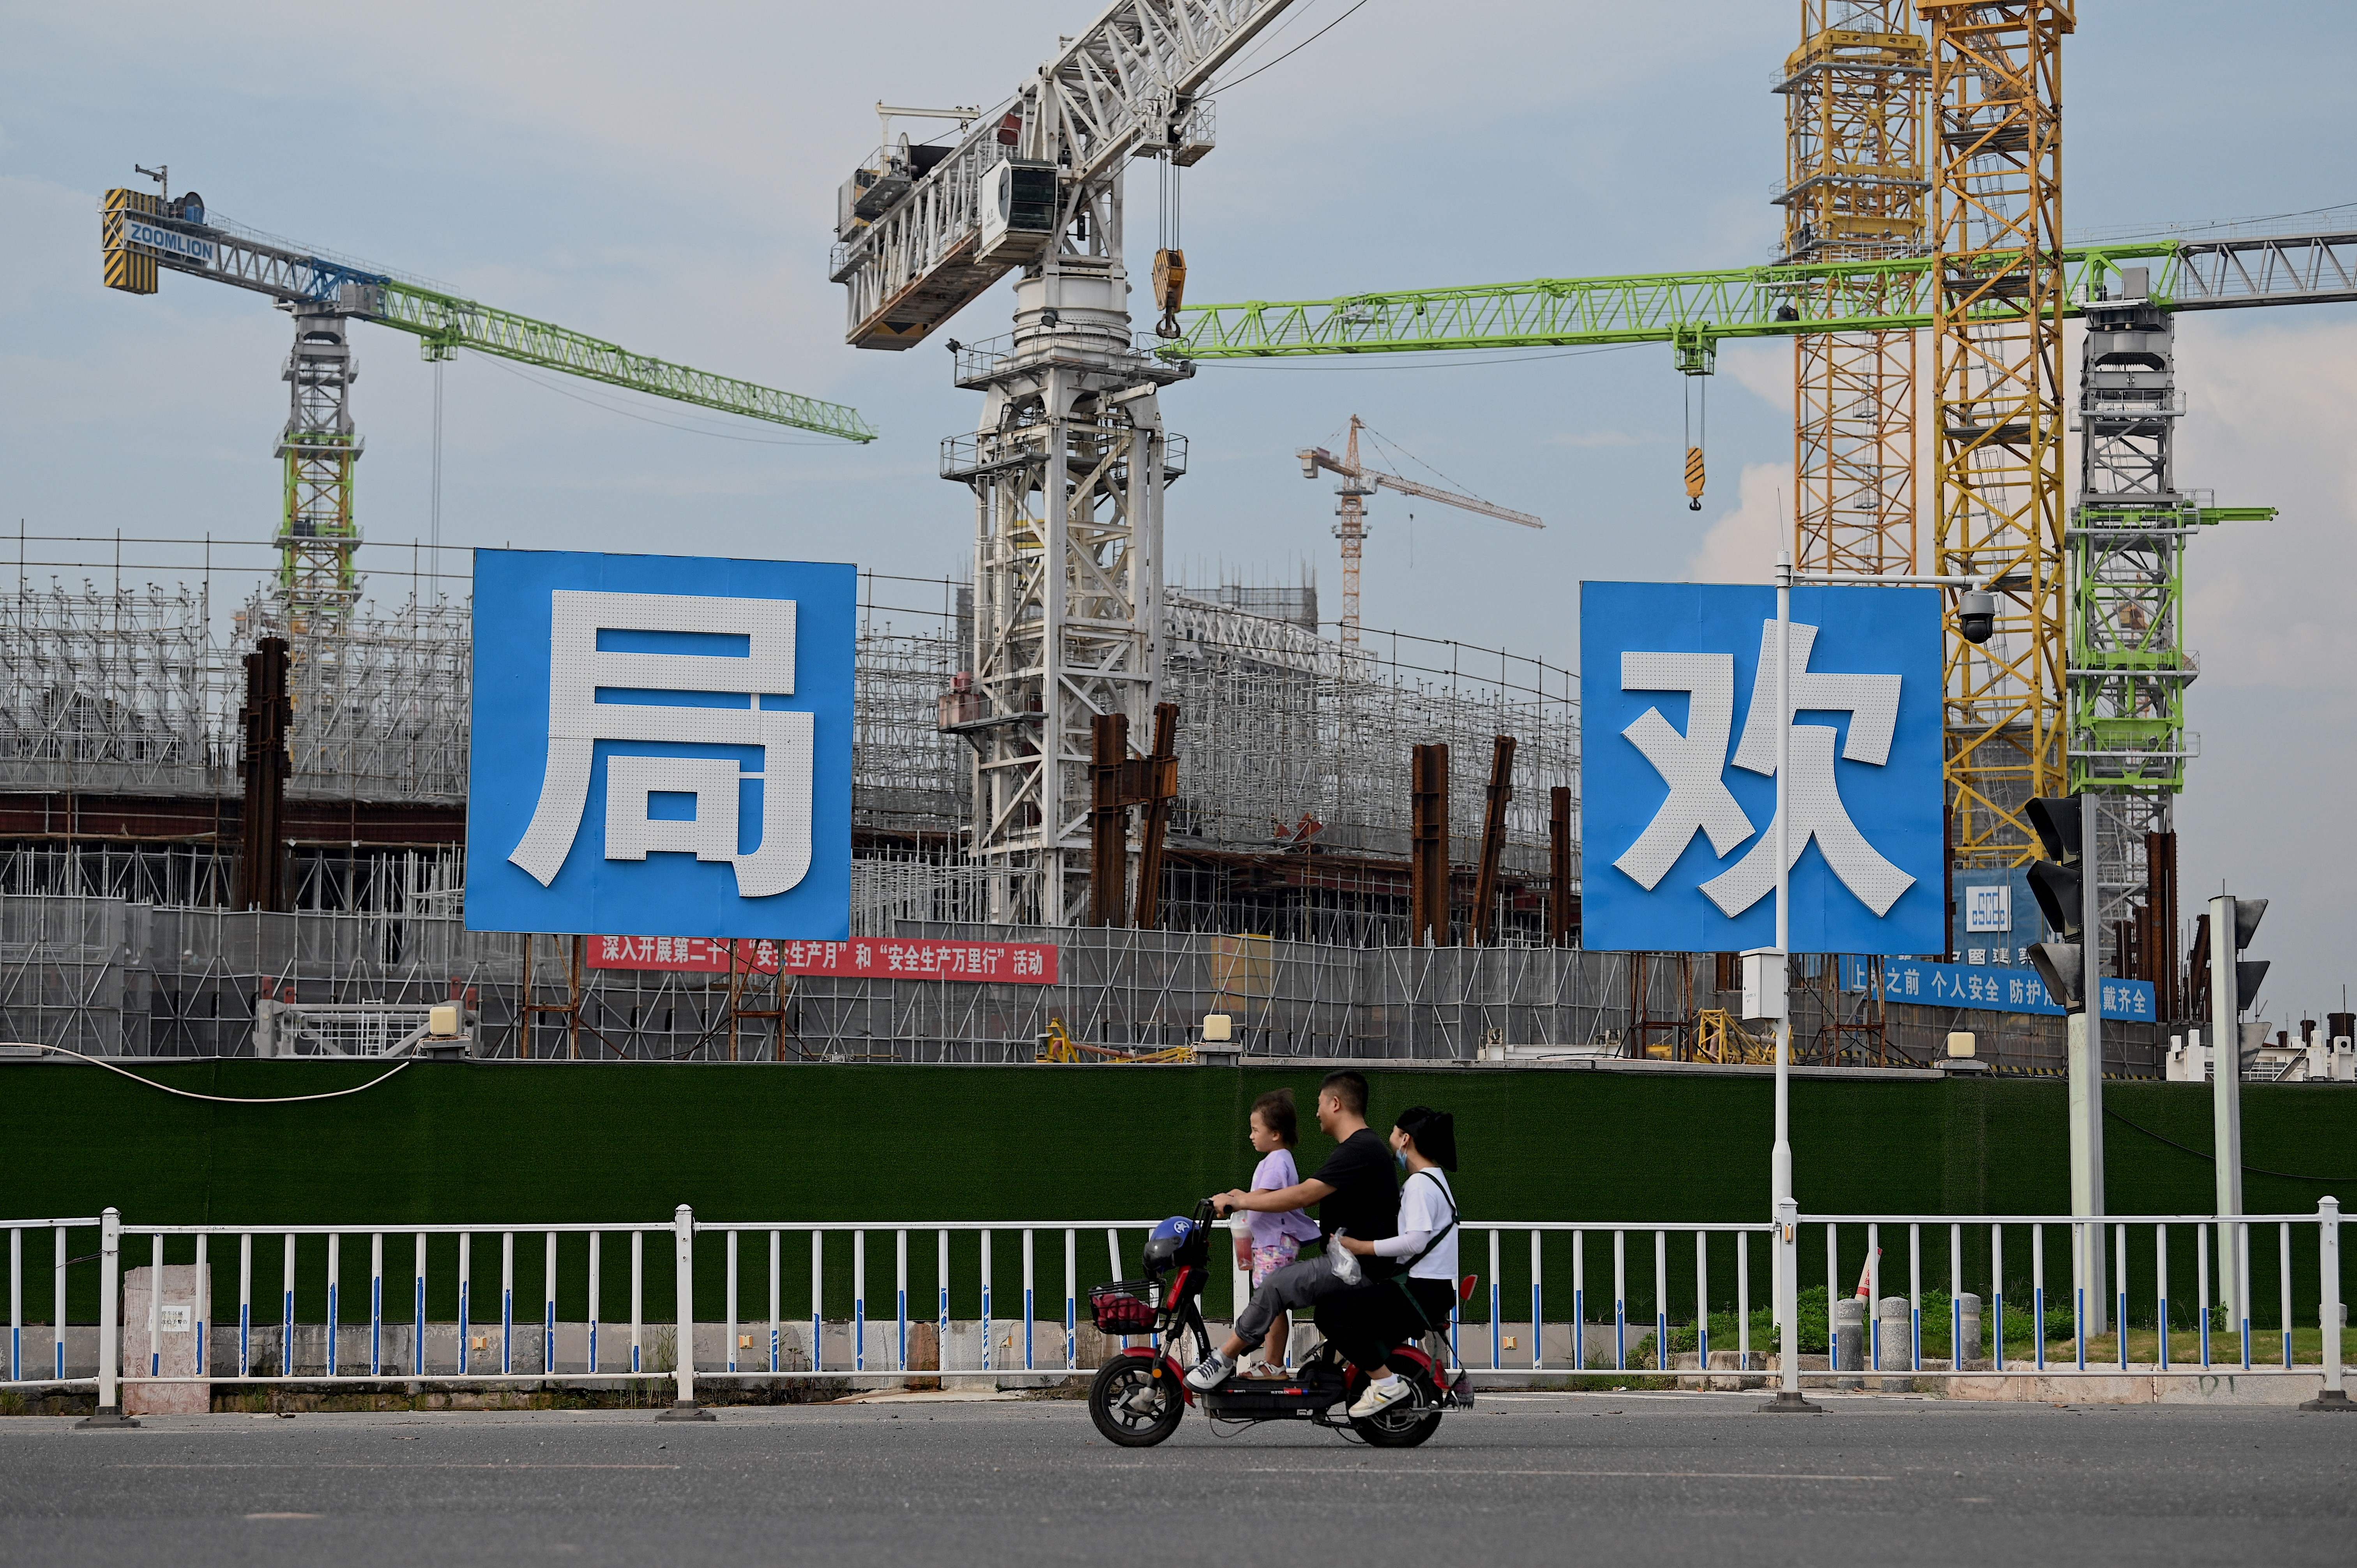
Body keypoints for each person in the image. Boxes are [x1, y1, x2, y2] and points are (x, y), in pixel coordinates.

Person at [1184, 1070, 1398, 1391]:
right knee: (1299, 1300)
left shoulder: (1360, 1149)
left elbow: (1301, 1195)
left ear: (1336, 1104)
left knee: (1274, 1285)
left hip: (1355, 1267)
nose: (1316, 1113)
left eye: (1320, 1104)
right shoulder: (1359, 1148)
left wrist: (1240, 1201)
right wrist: (1241, 1199)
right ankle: (1266, 1363)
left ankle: (1225, 1358)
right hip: (1349, 1262)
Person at [1321, 1105, 1461, 1418]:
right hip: (1429, 1288)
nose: (1391, 1141)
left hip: (1419, 1289)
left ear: (1405, 1139)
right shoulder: (1434, 1180)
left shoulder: (1420, 1185)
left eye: (1394, 1135)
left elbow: (1416, 1241)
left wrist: (1360, 1246)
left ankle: (1385, 1384)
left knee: (1332, 1314)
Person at [1235, 1088, 1322, 1375]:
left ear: (1275, 1134)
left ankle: (1273, 1363)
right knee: (1272, 1300)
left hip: (1275, 1242)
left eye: (1255, 1129)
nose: (1251, 1135)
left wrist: (1237, 1200)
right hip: (1269, 1241)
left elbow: (1266, 1196)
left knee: (1271, 1299)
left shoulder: (1277, 1160)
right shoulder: (1274, 1160)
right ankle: (1272, 1362)